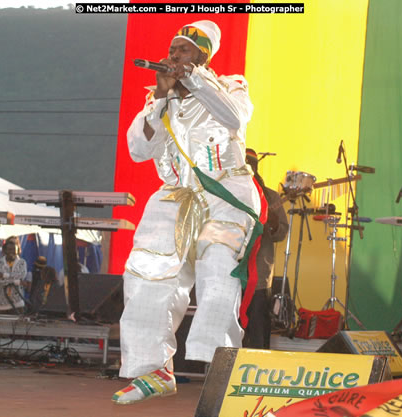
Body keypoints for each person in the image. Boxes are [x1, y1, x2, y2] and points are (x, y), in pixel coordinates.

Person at [113, 20, 261, 405]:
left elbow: (234, 118)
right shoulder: (157, 99)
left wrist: (193, 79)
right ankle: (154, 370)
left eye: (183, 50)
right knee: (148, 271)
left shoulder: (230, 84)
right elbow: (138, 151)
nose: (173, 55)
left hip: (225, 191)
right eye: (172, 49)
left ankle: (222, 370)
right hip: (176, 197)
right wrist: (162, 96)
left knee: (218, 272)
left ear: (202, 55)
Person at [242, 149, 289, 349]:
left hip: (259, 276)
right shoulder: (227, 193)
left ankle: (257, 371)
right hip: (230, 275)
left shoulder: (270, 196)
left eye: (250, 166)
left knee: (258, 330)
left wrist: (274, 222)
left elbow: (282, 233)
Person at [0, 236, 28, 314]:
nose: (11, 252)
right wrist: (17, 281)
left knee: (19, 325)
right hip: (2, 304)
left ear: (17, 250)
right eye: (9, 249)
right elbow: (0, 282)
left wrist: (4, 275)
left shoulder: (22, 262)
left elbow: (21, 277)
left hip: (18, 303)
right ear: (5, 250)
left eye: (14, 250)